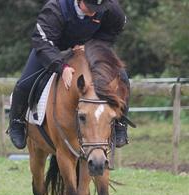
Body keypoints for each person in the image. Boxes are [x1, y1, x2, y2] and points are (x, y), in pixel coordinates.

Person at [8, 0, 130, 149]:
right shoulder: (55, 9)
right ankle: (17, 122)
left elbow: (115, 28)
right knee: (25, 83)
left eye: (98, 8)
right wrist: (62, 66)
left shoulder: (110, 7)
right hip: (53, 49)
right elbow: (42, 41)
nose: (94, 12)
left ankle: (120, 123)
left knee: (122, 77)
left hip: (89, 48)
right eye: (90, 7)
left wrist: (93, 45)